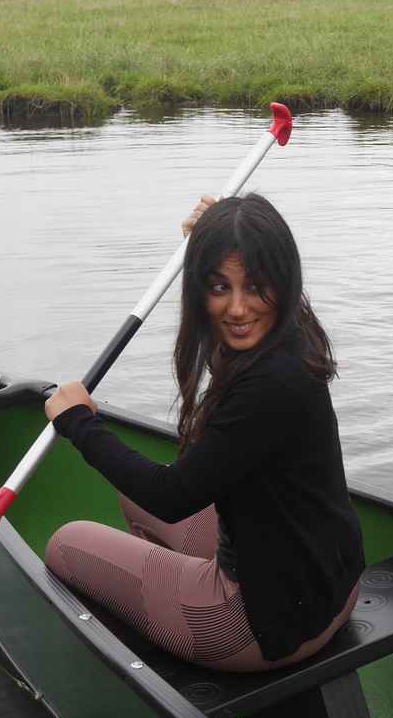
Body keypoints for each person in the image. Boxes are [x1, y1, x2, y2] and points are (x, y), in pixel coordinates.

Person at [42, 192, 365, 672]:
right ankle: (162, 603)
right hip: (333, 588)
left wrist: (80, 423)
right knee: (134, 498)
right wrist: (217, 235)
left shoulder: (267, 387)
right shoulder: (295, 330)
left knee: (66, 543)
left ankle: (160, 642)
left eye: (254, 286)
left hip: (257, 625)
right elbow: (253, 302)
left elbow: (171, 496)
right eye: (219, 287)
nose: (236, 309)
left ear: (282, 280)